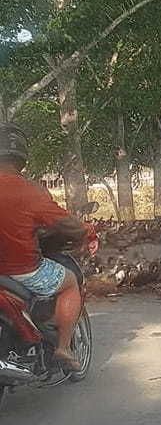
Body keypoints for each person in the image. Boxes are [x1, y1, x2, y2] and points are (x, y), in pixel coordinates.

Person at [0, 125, 88, 371]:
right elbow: (67, 224)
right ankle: (63, 347)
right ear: (21, 156)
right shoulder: (30, 191)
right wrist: (82, 232)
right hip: (21, 270)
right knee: (70, 282)